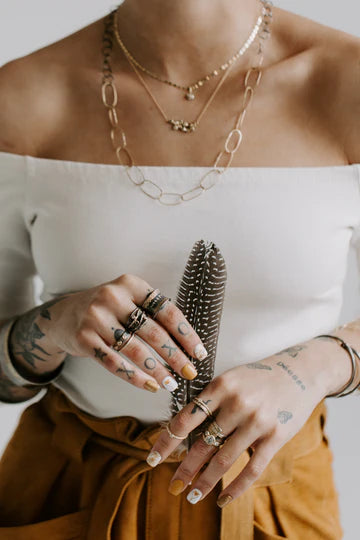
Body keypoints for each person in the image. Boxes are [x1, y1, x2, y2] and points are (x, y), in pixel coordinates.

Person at [0, 0, 359, 537]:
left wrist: (313, 368)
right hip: (68, 493)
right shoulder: (21, 97)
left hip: (274, 507)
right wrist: (54, 325)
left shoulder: (346, 84)